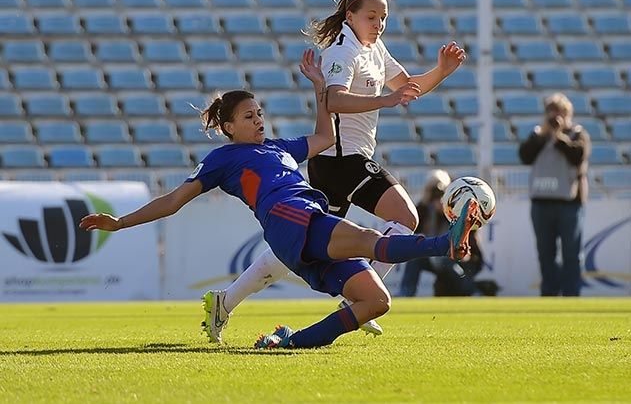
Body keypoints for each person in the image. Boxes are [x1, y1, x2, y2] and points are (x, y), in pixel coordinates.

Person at [79, 50, 480, 349]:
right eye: (249, 116)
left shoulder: (279, 147)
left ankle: (287, 342)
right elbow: (173, 201)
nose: (259, 120)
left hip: (300, 228)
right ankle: (447, 243)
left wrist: (320, 87)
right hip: (289, 218)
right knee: (365, 238)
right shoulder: (222, 159)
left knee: (376, 301)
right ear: (228, 126)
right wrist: (120, 222)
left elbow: (326, 138)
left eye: (259, 113)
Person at [202, 0, 467, 342]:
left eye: (383, 17)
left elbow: (408, 87)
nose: (379, 24)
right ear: (350, 16)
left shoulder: (374, 49)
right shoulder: (343, 51)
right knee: (406, 217)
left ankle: (225, 301)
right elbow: (336, 100)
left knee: (295, 249)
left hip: (342, 161)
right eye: (371, 16)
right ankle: (358, 294)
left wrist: (441, 71)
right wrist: (387, 101)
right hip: (341, 159)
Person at [518, 92, 591, 296]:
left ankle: (571, 295)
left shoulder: (578, 134)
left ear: (568, 114)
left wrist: (558, 136)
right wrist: (545, 134)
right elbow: (524, 156)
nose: (555, 117)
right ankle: (549, 294)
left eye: (560, 112)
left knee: (571, 253)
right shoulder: (538, 135)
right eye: (551, 112)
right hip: (541, 202)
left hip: (569, 203)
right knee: (545, 254)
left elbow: (578, 156)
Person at [399, 170, 484, 297]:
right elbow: (413, 226)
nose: (438, 201)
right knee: (415, 259)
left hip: (461, 258)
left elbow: (471, 249)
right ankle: (406, 292)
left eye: (442, 197)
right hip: (437, 256)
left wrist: (447, 212)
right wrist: (425, 200)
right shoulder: (427, 211)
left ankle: (473, 292)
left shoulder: (461, 212)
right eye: (435, 197)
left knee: (449, 263)